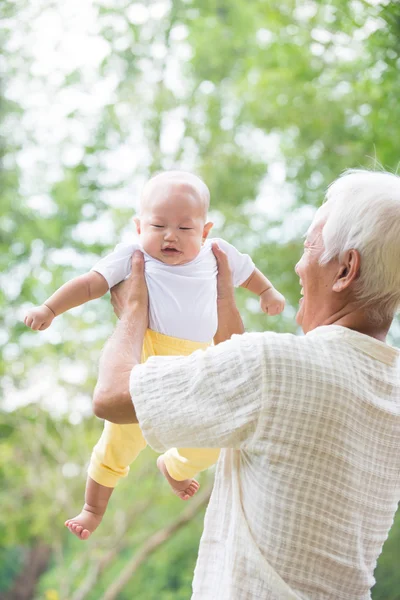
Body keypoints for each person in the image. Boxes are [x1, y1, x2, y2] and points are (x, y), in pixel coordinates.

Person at [89, 169, 400, 599]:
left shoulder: (276, 367)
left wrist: (134, 313)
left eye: (310, 246)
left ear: (346, 268)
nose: (298, 263)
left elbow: (112, 397)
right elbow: (244, 389)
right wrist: (223, 302)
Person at [24, 170, 285, 539]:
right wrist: (49, 310)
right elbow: (89, 284)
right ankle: (92, 509)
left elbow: (249, 273)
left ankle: (176, 468)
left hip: (198, 360)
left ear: (206, 231)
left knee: (214, 439)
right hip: (147, 357)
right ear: (138, 226)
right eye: (158, 225)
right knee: (117, 443)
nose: (170, 236)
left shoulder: (216, 253)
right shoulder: (132, 255)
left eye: (185, 228)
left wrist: (268, 292)